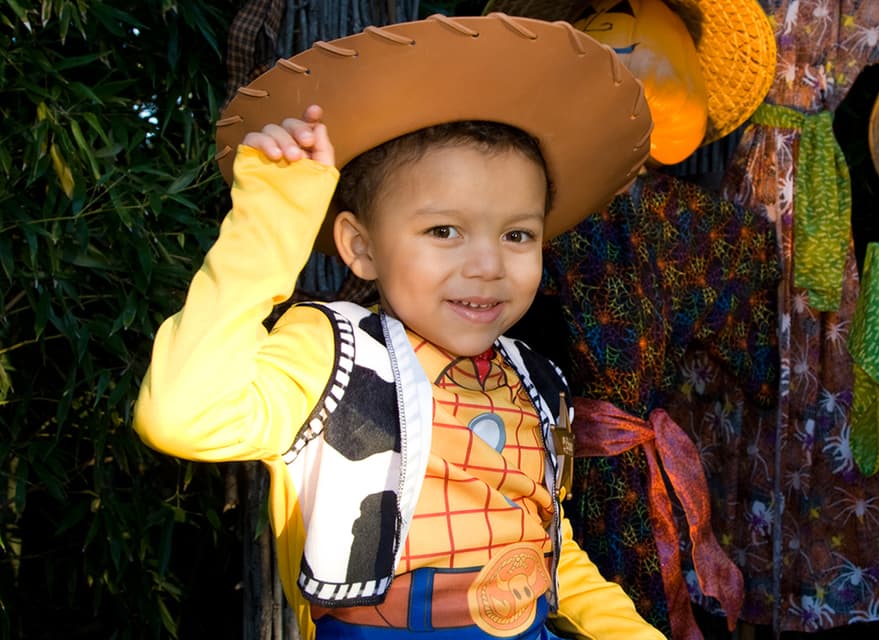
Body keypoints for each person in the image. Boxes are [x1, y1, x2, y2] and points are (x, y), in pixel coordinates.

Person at [132, 14, 662, 640]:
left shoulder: (535, 380)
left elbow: (545, 544)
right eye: (444, 231)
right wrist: (271, 222)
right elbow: (181, 414)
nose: (489, 265)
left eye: (518, 234)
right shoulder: (334, 356)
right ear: (361, 247)